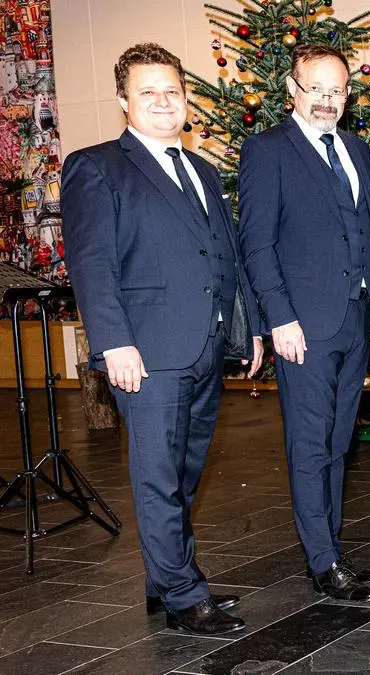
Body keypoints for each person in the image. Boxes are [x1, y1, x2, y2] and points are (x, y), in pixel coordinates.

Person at [61, 43, 262, 635]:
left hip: (205, 345)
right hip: (145, 351)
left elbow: (226, 256)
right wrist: (113, 343)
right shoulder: (96, 166)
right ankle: (181, 593)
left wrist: (247, 327)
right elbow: (92, 264)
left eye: (172, 91)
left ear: (186, 98)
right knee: (157, 475)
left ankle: (164, 578)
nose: (163, 101)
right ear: (123, 100)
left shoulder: (202, 171)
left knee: (184, 471)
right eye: (147, 92)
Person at [239, 44, 370, 601]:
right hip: (302, 325)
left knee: (338, 441)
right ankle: (323, 561)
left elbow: (367, 232)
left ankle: (330, 549)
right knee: (309, 443)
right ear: (291, 90)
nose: (327, 100)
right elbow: (258, 244)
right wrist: (279, 317)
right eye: (316, 88)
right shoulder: (267, 150)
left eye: (337, 90)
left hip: (355, 320)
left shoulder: (357, 149)